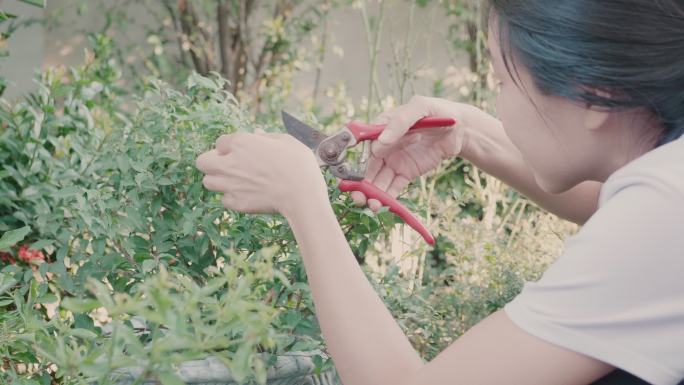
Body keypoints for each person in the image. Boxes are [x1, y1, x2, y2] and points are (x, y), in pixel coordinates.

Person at [195, 0, 684, 384]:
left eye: (501, 80)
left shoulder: (661, 216)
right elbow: (614, 211)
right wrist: (467, 132)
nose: (497, 97)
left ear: (598, 93)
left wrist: (301, 199)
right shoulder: (666, 178)